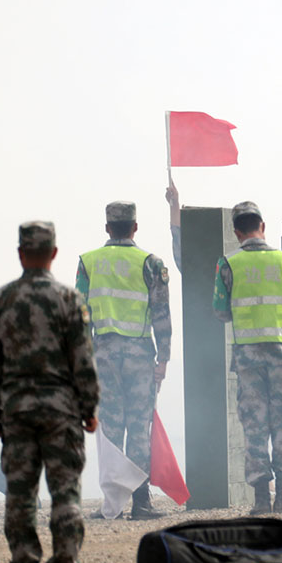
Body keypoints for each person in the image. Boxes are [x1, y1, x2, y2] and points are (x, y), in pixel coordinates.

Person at [0, 221, 100, 563]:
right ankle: (64, 562)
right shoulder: (68, 299)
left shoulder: (1, 300)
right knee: (65, 491)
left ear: (20, 253)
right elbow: (83, 361)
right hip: (62, 411)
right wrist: (89, 408)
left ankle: (24, 562)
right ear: (54, 254)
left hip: (16, 411)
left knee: (20, 493)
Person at [76, 202, 172, 519]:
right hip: (140, 356)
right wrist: (163, 359)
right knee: (138, 427)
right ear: (135, 227)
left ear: (107, 228)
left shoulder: (88, 263)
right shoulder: (150, 263)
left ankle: (113, 505)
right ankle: (141, 503)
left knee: (111, 429)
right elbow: (161, 316)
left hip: (102, 356)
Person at [213, 201, 282, 514]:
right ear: (263, 226)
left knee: (254, 426)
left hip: (247, 358)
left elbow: (220, 311)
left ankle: (259, 501)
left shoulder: (227, 264)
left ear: (236, 231)